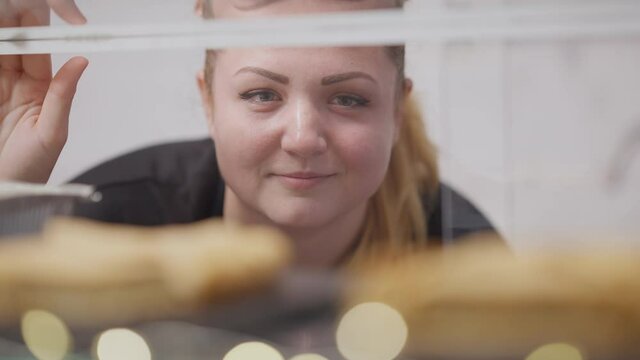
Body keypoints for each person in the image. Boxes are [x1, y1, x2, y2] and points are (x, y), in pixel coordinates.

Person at [0, 0, 497, 267]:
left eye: (348, 99)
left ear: (395, 114)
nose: (302, 138)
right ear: (209, 101)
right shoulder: (109, 225)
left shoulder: (464, 255)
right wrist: (6, 187)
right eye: (262, 94)